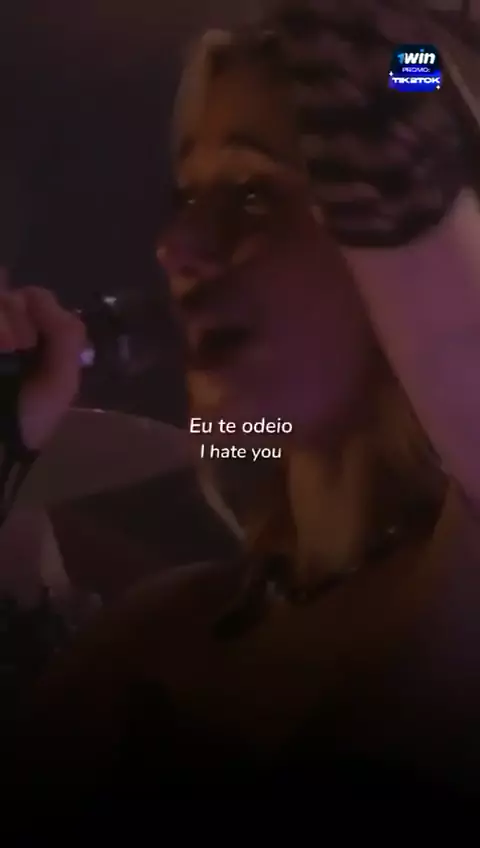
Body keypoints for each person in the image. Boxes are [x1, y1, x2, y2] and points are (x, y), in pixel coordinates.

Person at [6, 1, 480, 803]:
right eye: (187, 197)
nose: (175, 248)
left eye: (253, 194)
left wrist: (399, 56)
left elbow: (415, 81)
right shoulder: (153, 627)